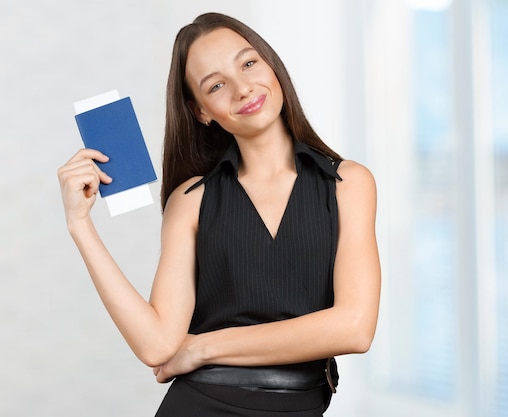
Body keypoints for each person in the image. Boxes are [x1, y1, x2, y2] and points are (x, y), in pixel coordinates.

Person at [57, 12, 380, 417]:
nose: (243, 89)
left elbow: (354, 327)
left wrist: (202, 347)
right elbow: (157, 345)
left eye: (248, 63)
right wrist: (80, 225)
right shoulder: (191, 200)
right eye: (216, 85)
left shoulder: (348, 183)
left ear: (272, 66)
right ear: (201, 111)